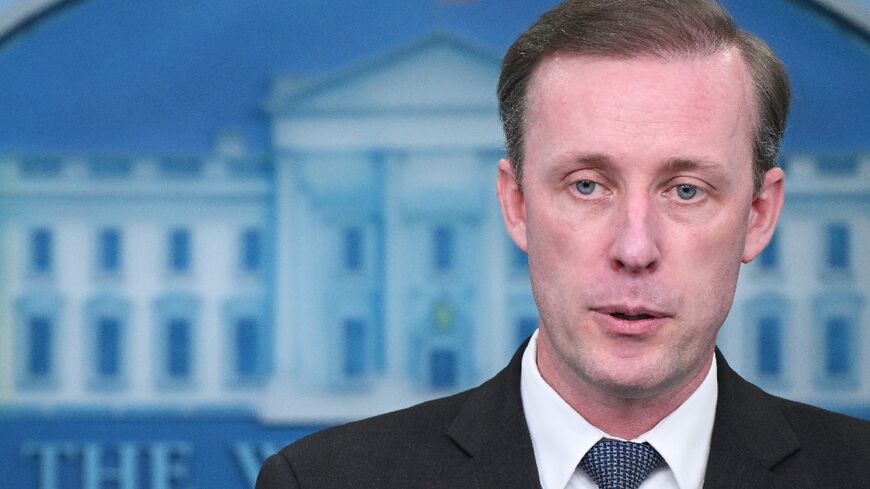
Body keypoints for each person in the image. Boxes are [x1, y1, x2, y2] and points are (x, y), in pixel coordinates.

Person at [257, 1, 870, 487]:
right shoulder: (324, 482)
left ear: (759, 215)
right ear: (516, 204)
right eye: (586, 185)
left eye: (685, 190)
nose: (635, 247)